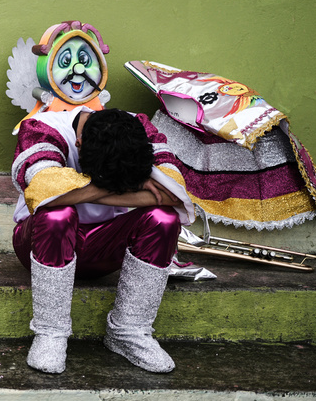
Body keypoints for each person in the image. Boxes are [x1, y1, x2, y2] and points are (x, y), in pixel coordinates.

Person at [11, 107, 194, 374]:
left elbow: (175, 195)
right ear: (79, 143)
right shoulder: (43, 127)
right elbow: (44, 195)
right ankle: (51, 333)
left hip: (105, 245)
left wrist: (83, 191)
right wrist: (125, 187)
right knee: (57, 215)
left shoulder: (137, 129)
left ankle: (128, 332)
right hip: (39, 242)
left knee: (164, 219)